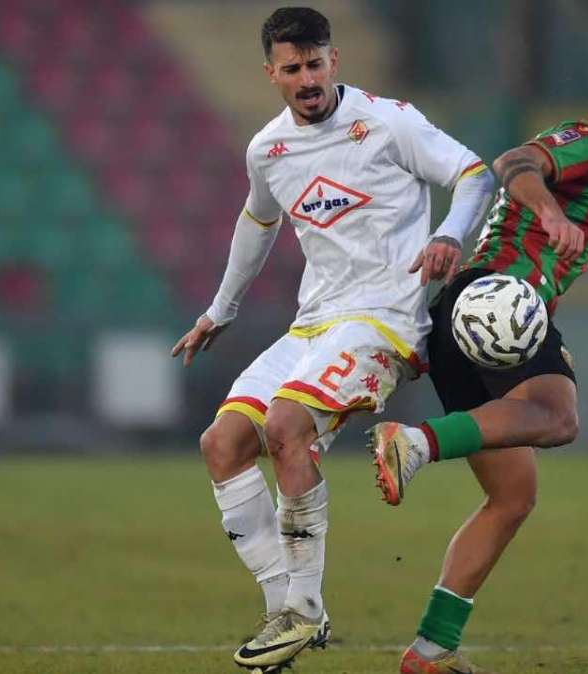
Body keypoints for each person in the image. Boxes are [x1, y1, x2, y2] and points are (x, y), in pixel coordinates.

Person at [366, 41, 588, 674]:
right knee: (558, 416)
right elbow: (516, 161)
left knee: (513, 495)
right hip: (500, 302)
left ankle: (431, 648)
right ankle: (416, 443)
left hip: (468, 318)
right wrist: (546, 208)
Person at [170, 7, 493, 672]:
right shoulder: (268, 150)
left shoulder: (389, 122)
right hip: (314, 323)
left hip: (384, 321)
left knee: (285, 426)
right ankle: (285, 614)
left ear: (333, 61)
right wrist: (220, 310)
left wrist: (447, 235)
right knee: (222, 445)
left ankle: (305, 607)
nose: (307, 79)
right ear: (272, 73)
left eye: (316, 64)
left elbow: (474, 174)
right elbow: (257, 222)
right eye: (293, 68)